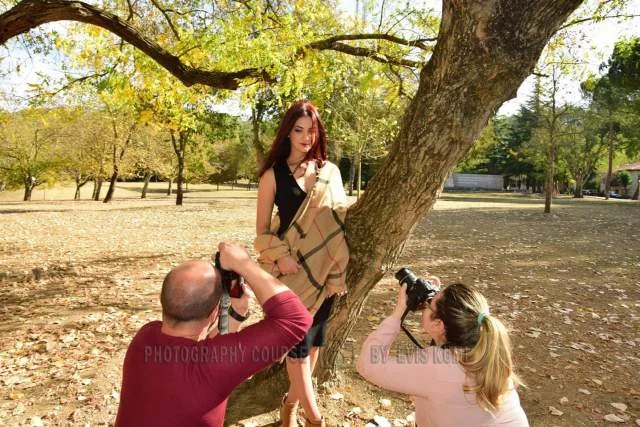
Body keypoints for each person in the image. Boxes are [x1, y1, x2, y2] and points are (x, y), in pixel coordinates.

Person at [114, 242, 313, 427]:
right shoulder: (211, 367)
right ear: (214, 314)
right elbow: (295, 319)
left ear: (162, 299)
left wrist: (236, 314)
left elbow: (205, 352)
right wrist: (243, 263)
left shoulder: (144, 337)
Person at [255, 100, 349, 427]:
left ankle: (290, 405)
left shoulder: (329, 173)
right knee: (296, 349)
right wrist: (281, 256)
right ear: (287, 133)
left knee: (313, 345)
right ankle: (315, 419)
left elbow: (338, 224)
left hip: (324, 273)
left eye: (312, 131)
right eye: (299, 130)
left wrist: (332, 267)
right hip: (289, 275)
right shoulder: (272, 176)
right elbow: (262, 231)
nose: (306, 137)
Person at [357, 280, 529, 427]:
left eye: (429, 304)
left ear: (439, 325)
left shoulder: (436, 365)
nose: (426, 305)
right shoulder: (488, 350)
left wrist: (399, 312)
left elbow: (368, 364)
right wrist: (438, 302)